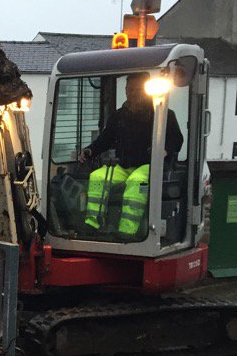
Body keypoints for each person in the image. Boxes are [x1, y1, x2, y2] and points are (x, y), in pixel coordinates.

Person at [78, 72, 183, 237]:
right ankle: (93, 223)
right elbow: (105, 139)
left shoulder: (163, 115)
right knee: (98, 177)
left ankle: (128, 230)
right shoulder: (119, 116)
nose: (130, 93)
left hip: (150, 166)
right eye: (128, 89)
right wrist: (90, 150)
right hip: (123, 166)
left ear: (145, 91)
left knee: (137, 182)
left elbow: (177, 139)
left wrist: (165, 151)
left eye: (135, 90)